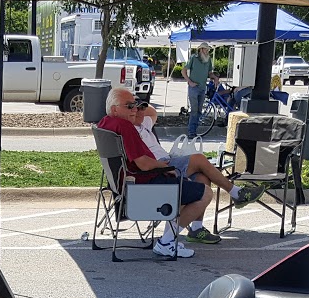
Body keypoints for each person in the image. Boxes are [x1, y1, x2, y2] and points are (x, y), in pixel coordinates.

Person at [99, 85, 265, 257]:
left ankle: (195, 229)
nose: (134, 109)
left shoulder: (105, 123)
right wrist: (165, 167)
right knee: (205, 193)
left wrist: (163, 167)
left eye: (136, 105)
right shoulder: (126, 127)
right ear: (114, 109)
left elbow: (141, 160)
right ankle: (166, 241)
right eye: (130, 106)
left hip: (128, 185)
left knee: (200, 177)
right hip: (145, 186)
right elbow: (144, 164)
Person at [184, 43, 213, 137]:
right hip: (193, 88)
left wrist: (215, 78)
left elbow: (210, 73)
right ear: (201, 50)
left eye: (208, 50)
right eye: (206, 49)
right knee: (194, 110)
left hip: (202, 88)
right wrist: (189, 81)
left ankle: (194, 131)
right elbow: (183, 71)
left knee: (199, 111)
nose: (207, 51)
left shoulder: (208, 60)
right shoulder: (193, 58)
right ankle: (191, 132)